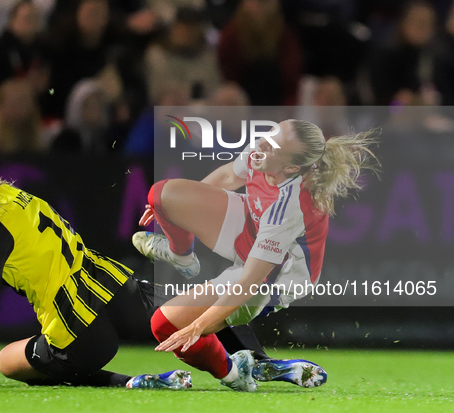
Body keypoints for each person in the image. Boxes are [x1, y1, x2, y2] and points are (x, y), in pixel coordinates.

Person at [0, 149, 269, 389]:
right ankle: (258, 358)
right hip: (114, 289)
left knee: (7, 360)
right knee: (184, 310)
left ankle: (128, 382)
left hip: (79, 329)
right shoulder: (10, 194)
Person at [133, 119, 380, 391]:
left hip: (277, 276)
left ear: (290, 168)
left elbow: (249, 281)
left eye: (274, 145)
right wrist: (180, 216)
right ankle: (180, 255)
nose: (263, 142)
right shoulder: (265, 151)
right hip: (252, 225)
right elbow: (229, 177)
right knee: (162, 195)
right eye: (269, 134)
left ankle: (234, 373)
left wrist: (200, 325)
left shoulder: (290, 207)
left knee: (163, 326)